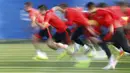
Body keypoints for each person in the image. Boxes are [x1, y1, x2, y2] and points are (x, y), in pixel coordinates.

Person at [86, 2, 130, 70]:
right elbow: (99, 26)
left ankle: (112, 59)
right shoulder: (96, 15)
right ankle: (112, 59)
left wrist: (108, 35)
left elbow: (111, 25)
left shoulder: (104, 12)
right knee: (103, 41)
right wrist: (95, 33)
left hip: (117, 30)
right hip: (116, 30)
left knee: (125, 48)